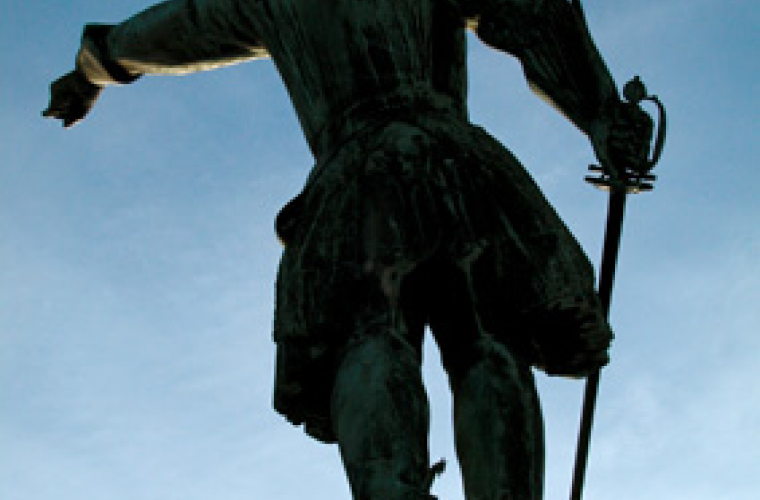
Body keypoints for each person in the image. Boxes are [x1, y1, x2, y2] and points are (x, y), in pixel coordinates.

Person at [44, 1, 650, 498]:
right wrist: (599, 112)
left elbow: (162, 35)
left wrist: (87, 72)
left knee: (371, 334)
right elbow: (531, 12)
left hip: (360, 173)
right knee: (485, 337)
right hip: (455, 164)